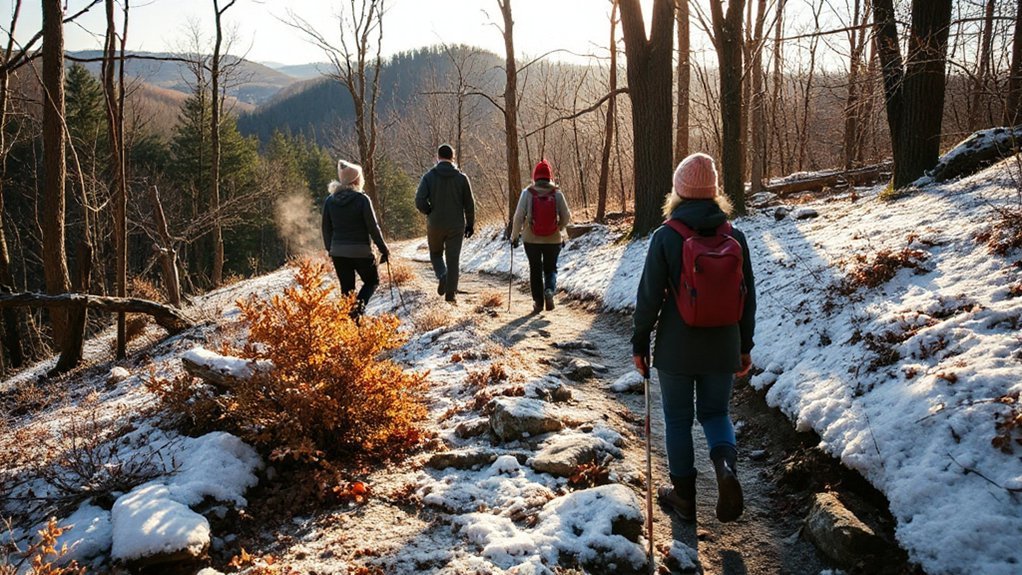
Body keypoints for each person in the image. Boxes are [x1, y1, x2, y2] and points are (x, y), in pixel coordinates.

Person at [631, 152, 756, 523]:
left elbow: (649, 297)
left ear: (679, 192)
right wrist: (744, 347)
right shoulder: (735, 236)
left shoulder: (666, 236)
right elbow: (748, 297)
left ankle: (683, 497)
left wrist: (640, 343)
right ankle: (725, 467)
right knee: (717, 413)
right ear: (715, 192)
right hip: (723, 344)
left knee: (678, 419)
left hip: (676, 348)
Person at [321, 159, 389, 318]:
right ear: (356, 180)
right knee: (372, 281)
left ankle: (348, 330)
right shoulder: (362, 199)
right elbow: (373, 227)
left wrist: (330, 249)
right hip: (361, 251)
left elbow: (326, 228)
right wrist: (383, 249)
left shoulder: (330, 201)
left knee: (346, 290)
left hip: (338, 252)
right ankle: (357, 312)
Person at [415, 144, 476, 304]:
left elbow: (419, 200)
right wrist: (470, 224)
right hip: (456, 224)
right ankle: (451, 295)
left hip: (435, 224)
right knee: (453, 259)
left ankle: (442, 275)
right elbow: (469, 204)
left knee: (435, 254)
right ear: (453, 157)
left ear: (438, 157)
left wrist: (429, 211)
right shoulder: (462, 178)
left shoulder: (429, 177)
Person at [510, 159, 572, 313]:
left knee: (535, 269)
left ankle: (538, 303)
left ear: (535, 177)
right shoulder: (557, 193)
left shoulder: (527, 193)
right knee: (551, 268)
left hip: (531, 239)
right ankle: (549, 290)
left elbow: (518, 217)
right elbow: (566, 215)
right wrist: (560, 227)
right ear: (549, 176)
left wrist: (514, 236)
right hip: (553, 238)